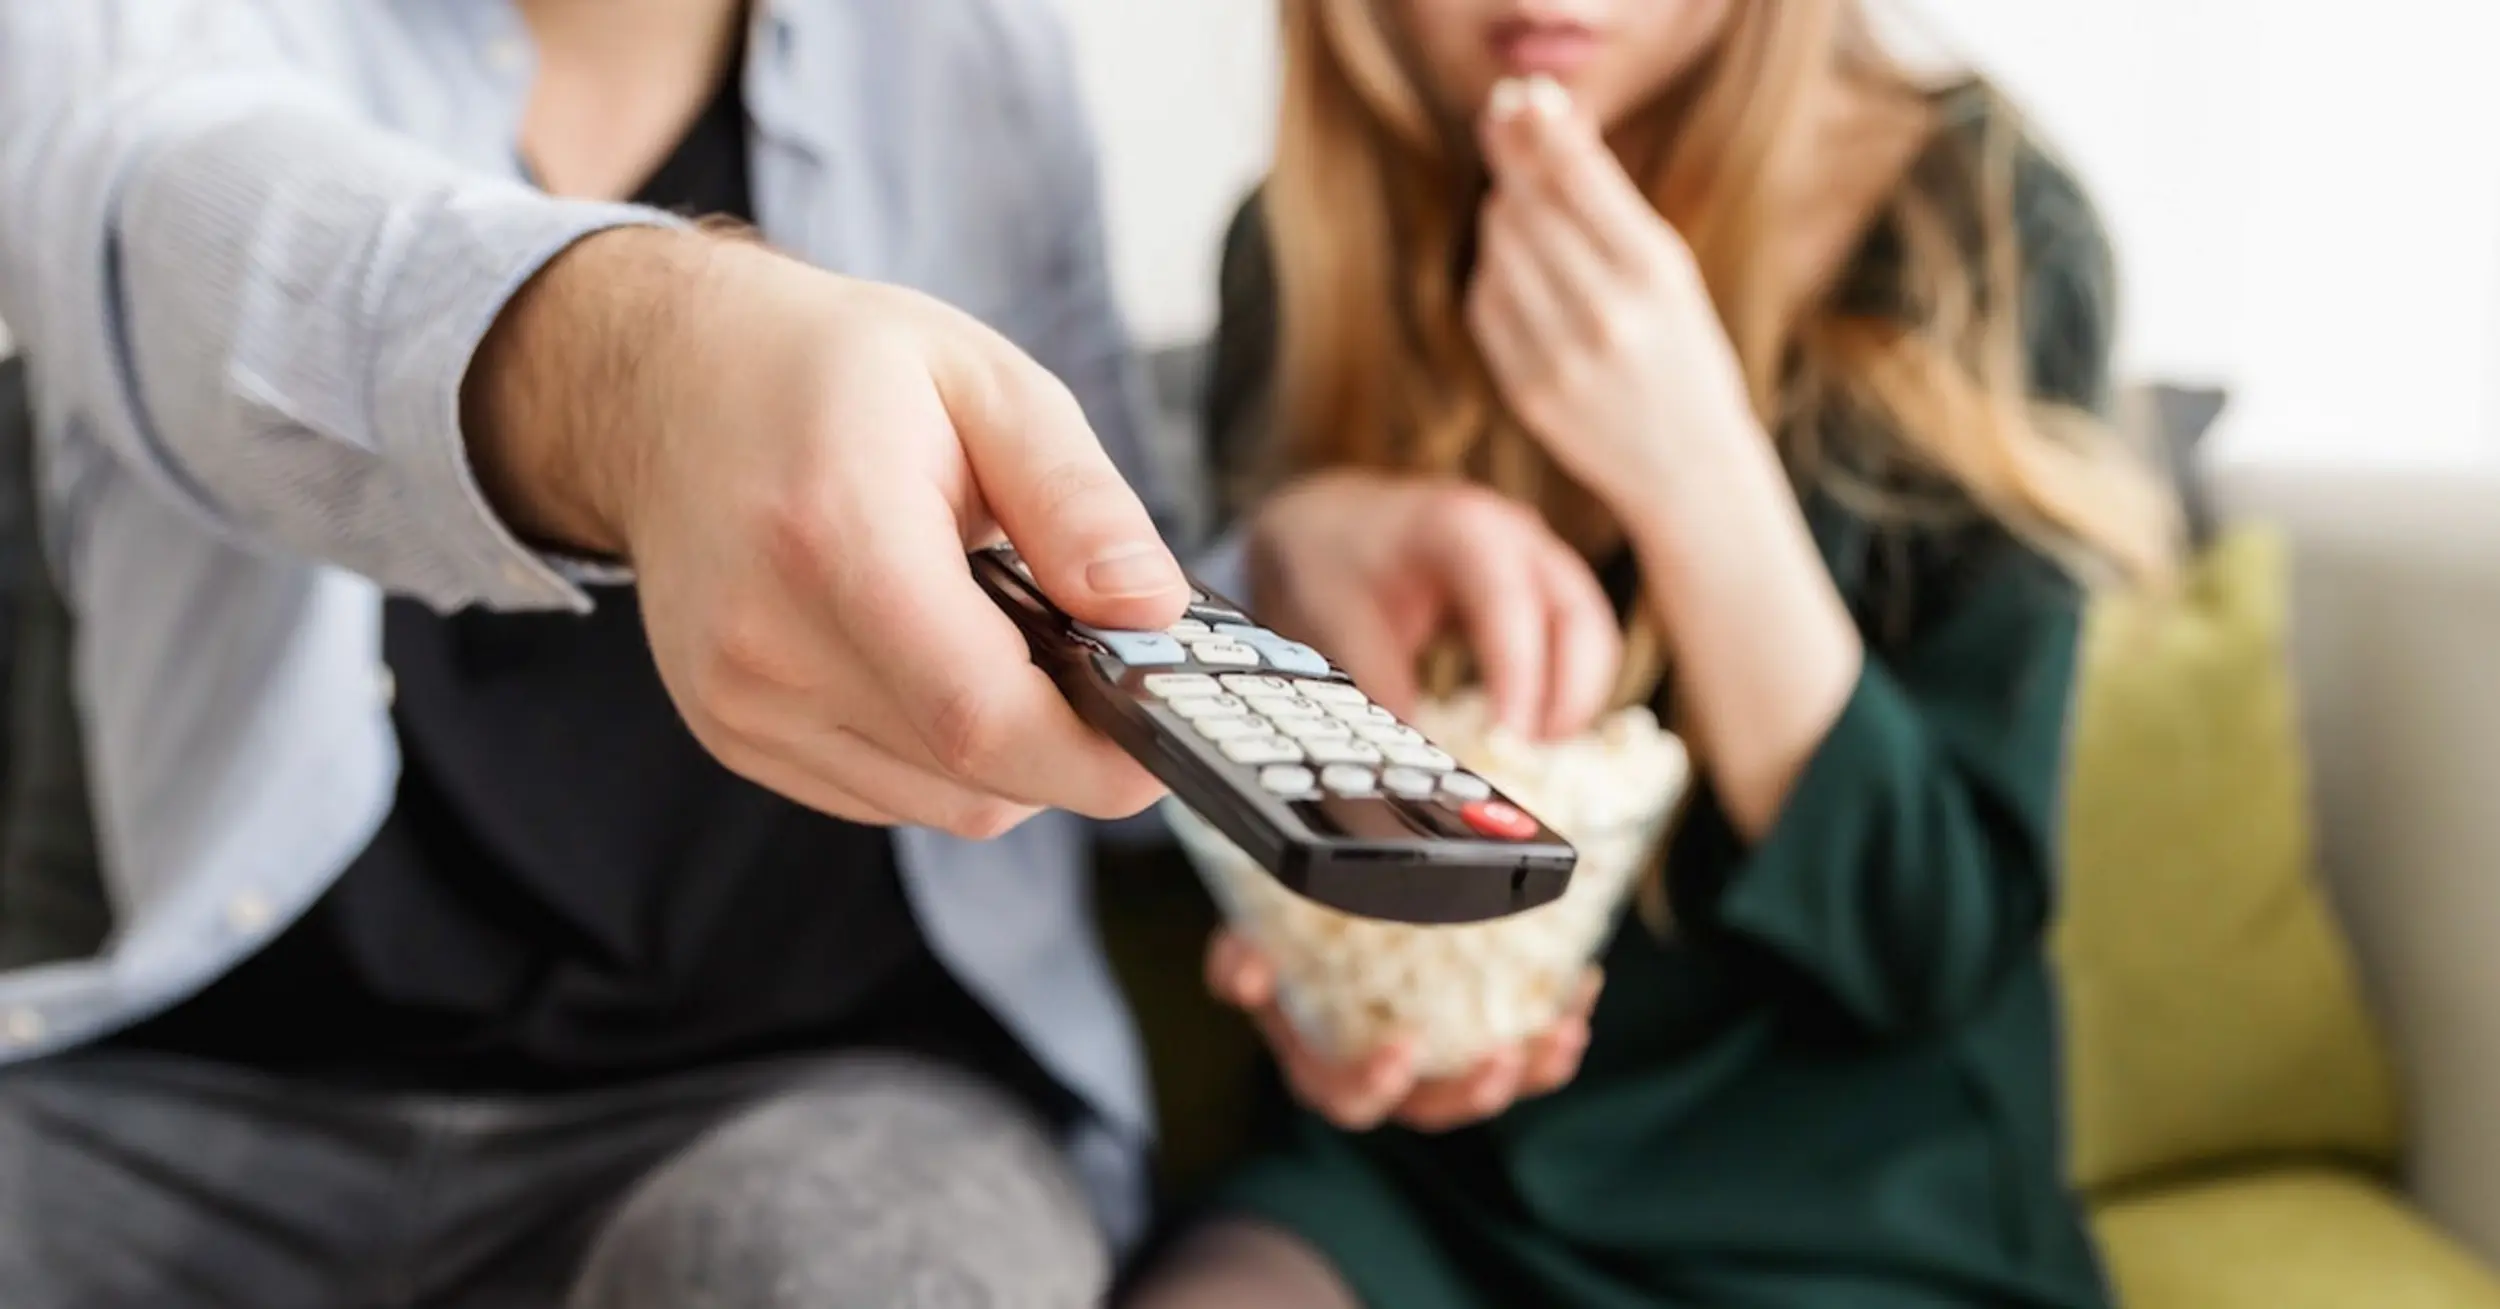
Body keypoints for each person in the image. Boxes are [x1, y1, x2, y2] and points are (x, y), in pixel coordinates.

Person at [0, 1, 1534, 1304]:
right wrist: (648, 376)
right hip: (209, 1103)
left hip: (834, 1098)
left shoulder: (970, 50)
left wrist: (1273, 565)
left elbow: (1076, 564)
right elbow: (179, 221)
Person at [1127, 1, 2179, 1307]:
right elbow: (1298, 858)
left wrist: (1696, 477)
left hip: (1849, 1211)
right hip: (1415, 1184)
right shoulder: (1301, 252)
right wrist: (1329, 985)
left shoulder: (1981, 229)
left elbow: (1932, 943)